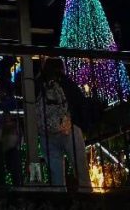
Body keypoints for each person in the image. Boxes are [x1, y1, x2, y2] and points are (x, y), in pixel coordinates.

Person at [34, 57, 91, 190]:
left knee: (56, 176)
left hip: (46, 134)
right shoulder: (65, 82)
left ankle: (59, 202)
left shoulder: (37, 84)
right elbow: (80, 102)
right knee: (81, 169)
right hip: (68, 129)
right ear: (61, 68)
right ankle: (87, 199)